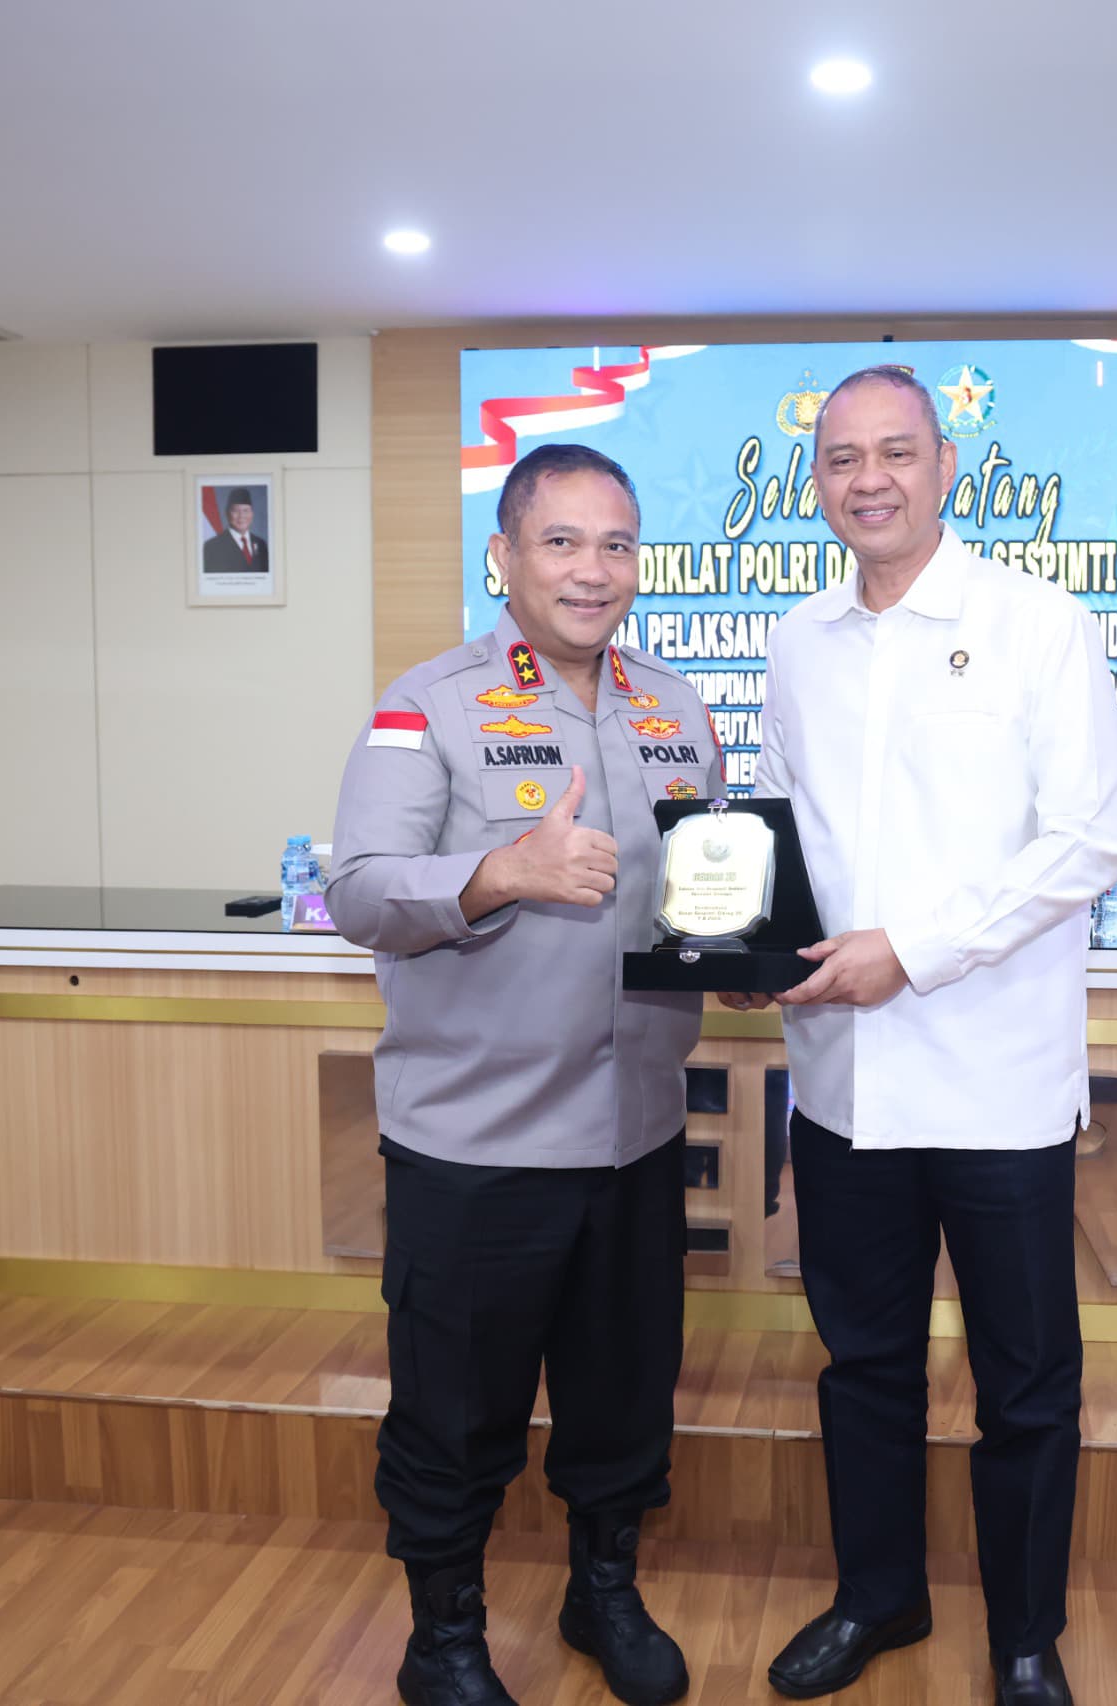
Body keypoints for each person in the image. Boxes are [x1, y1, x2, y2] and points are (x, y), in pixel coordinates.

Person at [729, 367, 1117, 1706]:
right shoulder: (798, 641)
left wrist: (916, 948)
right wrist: (752, 946)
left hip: (997, 1088)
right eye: (842, 458)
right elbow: (780, 829)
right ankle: (878, 1594)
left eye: (895, 452)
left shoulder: (1040, 624)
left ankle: (1023, 1635)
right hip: (845, 1089)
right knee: (864, 1365)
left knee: (1025, 1381)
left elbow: (1086, 840)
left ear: (946, 465)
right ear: (817, 480)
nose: (869, 480)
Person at [327, 442, 722, 1706]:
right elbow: (359, 891)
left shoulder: (676, 710)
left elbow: (697, 895)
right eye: (560, 541)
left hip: (634, 1134)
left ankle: (602, 1587)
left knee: (623, 1398)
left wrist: (739, 952)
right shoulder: (427, 705)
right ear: (502, 555)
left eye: (615, 543)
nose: (591, 569)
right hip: (476, 1146)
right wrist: (500, 872)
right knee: (455, 1412)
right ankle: (442, 1636)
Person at [204, 487, 271, 576]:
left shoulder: (261, 544)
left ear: (252, 514)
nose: (241, 516)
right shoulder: (211, 547)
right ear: (227, 514)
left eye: (246, 510)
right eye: (235, 511)